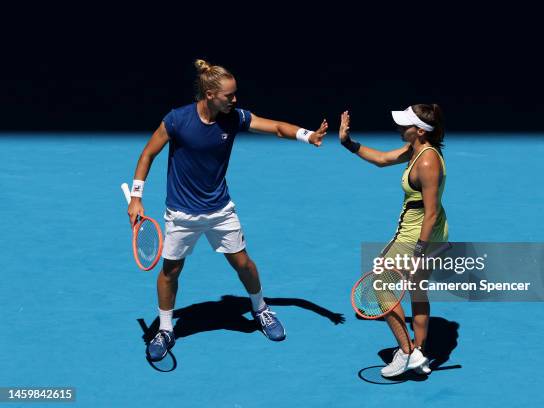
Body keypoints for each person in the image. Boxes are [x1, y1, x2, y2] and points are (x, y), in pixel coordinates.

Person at [128, 59, 328, 361]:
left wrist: (307, 135)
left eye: (235, 95)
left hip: (220, 210)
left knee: (244, 264)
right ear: (209, 94)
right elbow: (148, 153)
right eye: (229, 96)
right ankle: (166, 328)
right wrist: (136, 197)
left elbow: (274, 127)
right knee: (170, 271)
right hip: (181, 214)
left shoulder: (234, 118)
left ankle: (260, 309)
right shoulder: (177, 120)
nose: (235, 100)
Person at [339, 105, 448, 377]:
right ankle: (419, 354)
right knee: (417, 293)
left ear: (420, 131)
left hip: (417, 237)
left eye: (404, 125)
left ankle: (407, 351)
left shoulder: (425, 162)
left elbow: (431, 212)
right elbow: (382, 159)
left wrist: (418, 252)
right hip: (432, 236)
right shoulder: (418, 150)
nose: (399, 128)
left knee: (381, 286)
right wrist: (348, 143)